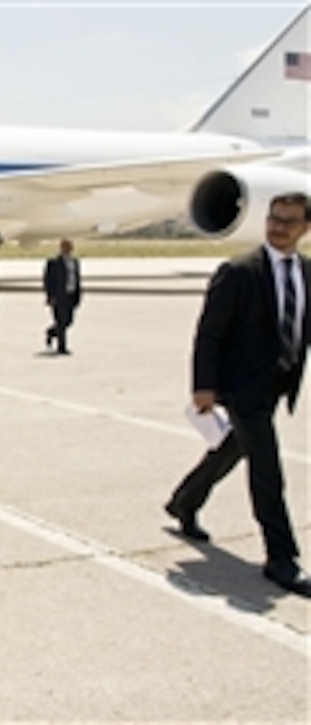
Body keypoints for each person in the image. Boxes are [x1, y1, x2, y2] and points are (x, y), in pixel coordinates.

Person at [165, 192, 311, 598]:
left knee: (233, 448)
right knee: (267, 468)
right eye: (274, 219)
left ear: (306, 228)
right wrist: (203, 387)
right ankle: (281, 558)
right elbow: (209, 332)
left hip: (278, 384)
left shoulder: (306, 272)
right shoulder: (239, 271)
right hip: (241, 386)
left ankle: (185, 501)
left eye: (289, 221)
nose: (278, 227)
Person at [43, 238, 81, 354]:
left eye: (70, 247)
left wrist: (78, 294)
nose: (69, 249)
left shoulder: (75, 262)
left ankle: (51, 332)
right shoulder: (54, 262)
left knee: (68, 321)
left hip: (71, 295)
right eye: (66, 247)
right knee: (61, 321)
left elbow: (76, 278)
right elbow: (48, 281)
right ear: (61, 248)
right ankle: (62, 347)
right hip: (59, 296)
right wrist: (50, 296)